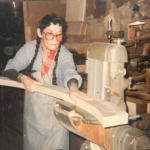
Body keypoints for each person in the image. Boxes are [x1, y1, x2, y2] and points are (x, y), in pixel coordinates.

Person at [3, 13, 92, 150]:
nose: (55, 40)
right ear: (40, 33)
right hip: (33, 114)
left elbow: (69, 71)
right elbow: (9, 68)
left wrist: (73, 87)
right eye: (50, 34)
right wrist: (23, 78)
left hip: (55, 116)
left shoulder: (64, 54)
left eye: (59, 35)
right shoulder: (29, 49)